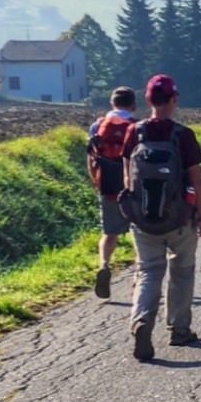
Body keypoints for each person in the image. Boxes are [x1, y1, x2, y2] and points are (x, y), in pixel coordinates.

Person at [124, 73, 201, 361]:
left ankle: (141, 320)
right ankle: (179, 329)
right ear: (174, 100)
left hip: (143, 218)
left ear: (148, 100)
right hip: (179, 218)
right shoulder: (182, 136)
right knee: (182, 270)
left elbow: (128, 176)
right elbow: (196, 180)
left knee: (149, 270)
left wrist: (135, 210)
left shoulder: (133, 133)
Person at [86, 86, 139, 298]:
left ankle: (104, 265)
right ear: (133, 105)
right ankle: (138, 280)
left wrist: (96, 181)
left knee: (109, 233)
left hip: (107, 184)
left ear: (111, 104)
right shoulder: (136, 127)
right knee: (140, 234)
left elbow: (91, 158)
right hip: (133, 188)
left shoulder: (97, 126)